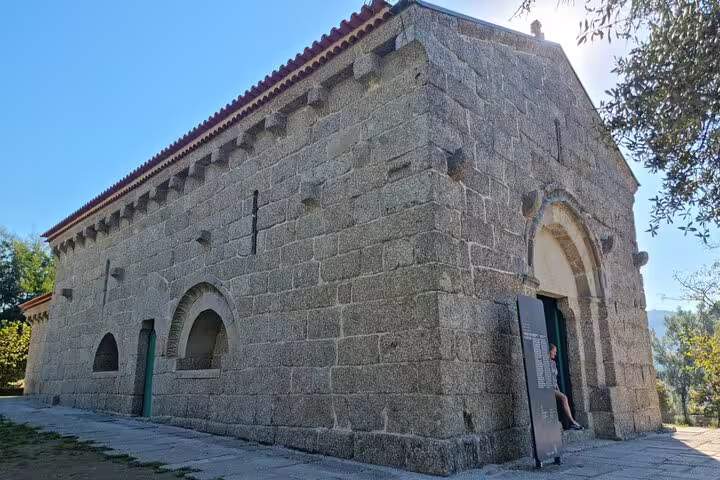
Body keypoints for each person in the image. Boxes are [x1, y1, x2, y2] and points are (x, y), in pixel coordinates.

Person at [550, 343, 583, 430]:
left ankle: (566, 423)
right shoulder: (544, 363)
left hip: (554, 388)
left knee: (562, 399)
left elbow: (554, 378)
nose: (555, 354)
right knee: (564, 398)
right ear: (549, 351)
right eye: (554, 352)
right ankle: (573, 422)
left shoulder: (553, 363)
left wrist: (558, 389)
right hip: (547, 388)